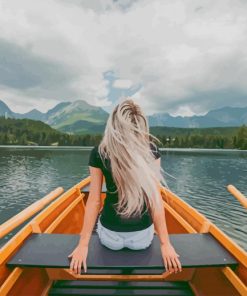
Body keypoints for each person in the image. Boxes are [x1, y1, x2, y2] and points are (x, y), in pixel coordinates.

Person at [68, 98, 182, 275]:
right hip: (142, 239)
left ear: (113, 124)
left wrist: (83, 245)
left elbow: (95, 200)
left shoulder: (100, 151)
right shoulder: (150, 150)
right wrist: (166, 244)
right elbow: (155, 201)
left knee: (101, 212)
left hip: (110, 238)